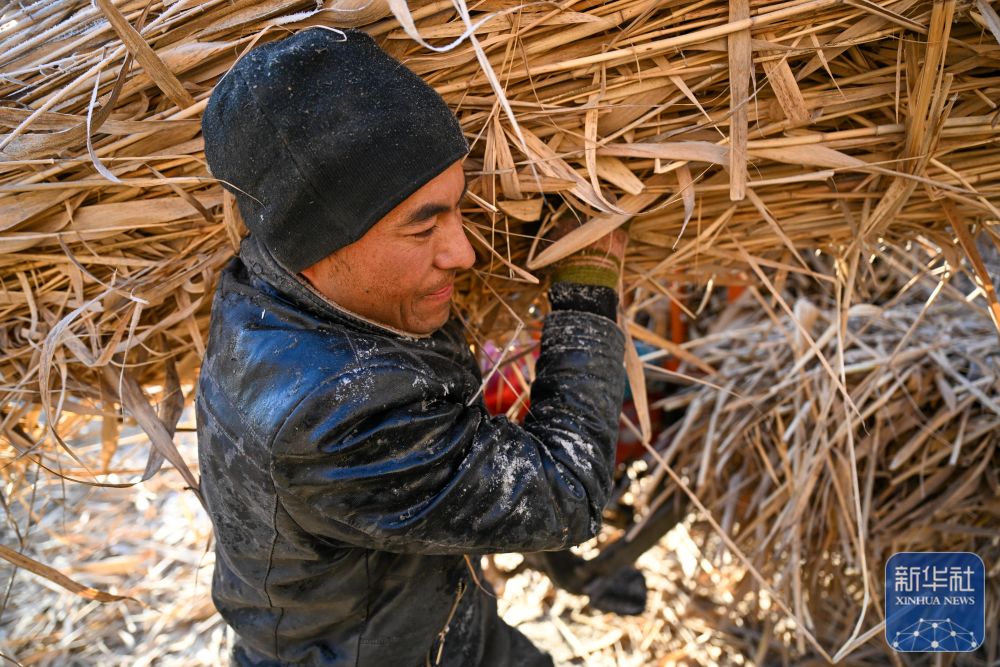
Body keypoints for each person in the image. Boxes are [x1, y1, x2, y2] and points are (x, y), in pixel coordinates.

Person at [197, 27, 627, 667]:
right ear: (321, 246)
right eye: (423, 228)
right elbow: (566, 494)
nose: (464, 253)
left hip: (433, 623)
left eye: (457, 209)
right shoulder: (332, 420)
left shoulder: (276, 285)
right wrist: (588, 292)